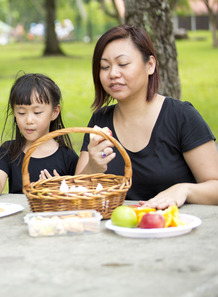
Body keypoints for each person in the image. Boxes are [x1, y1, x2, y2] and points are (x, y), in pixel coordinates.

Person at [76, 25, 218, 209]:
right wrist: (93, 168)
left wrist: (184, 190)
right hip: (117, 230)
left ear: (150, 65)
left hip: (175, 229)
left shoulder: (181, 116)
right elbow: (75, 192)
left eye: (123, 64)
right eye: (104, 66)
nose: (113, 74)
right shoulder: (100, 121)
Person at [0, 73, 79, 196]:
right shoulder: (9, 151)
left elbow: (79, 193)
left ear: (54, 112)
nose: (29, 120)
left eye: (37, 112)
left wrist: (61, 189)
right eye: (21, 113)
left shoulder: (67, 156)